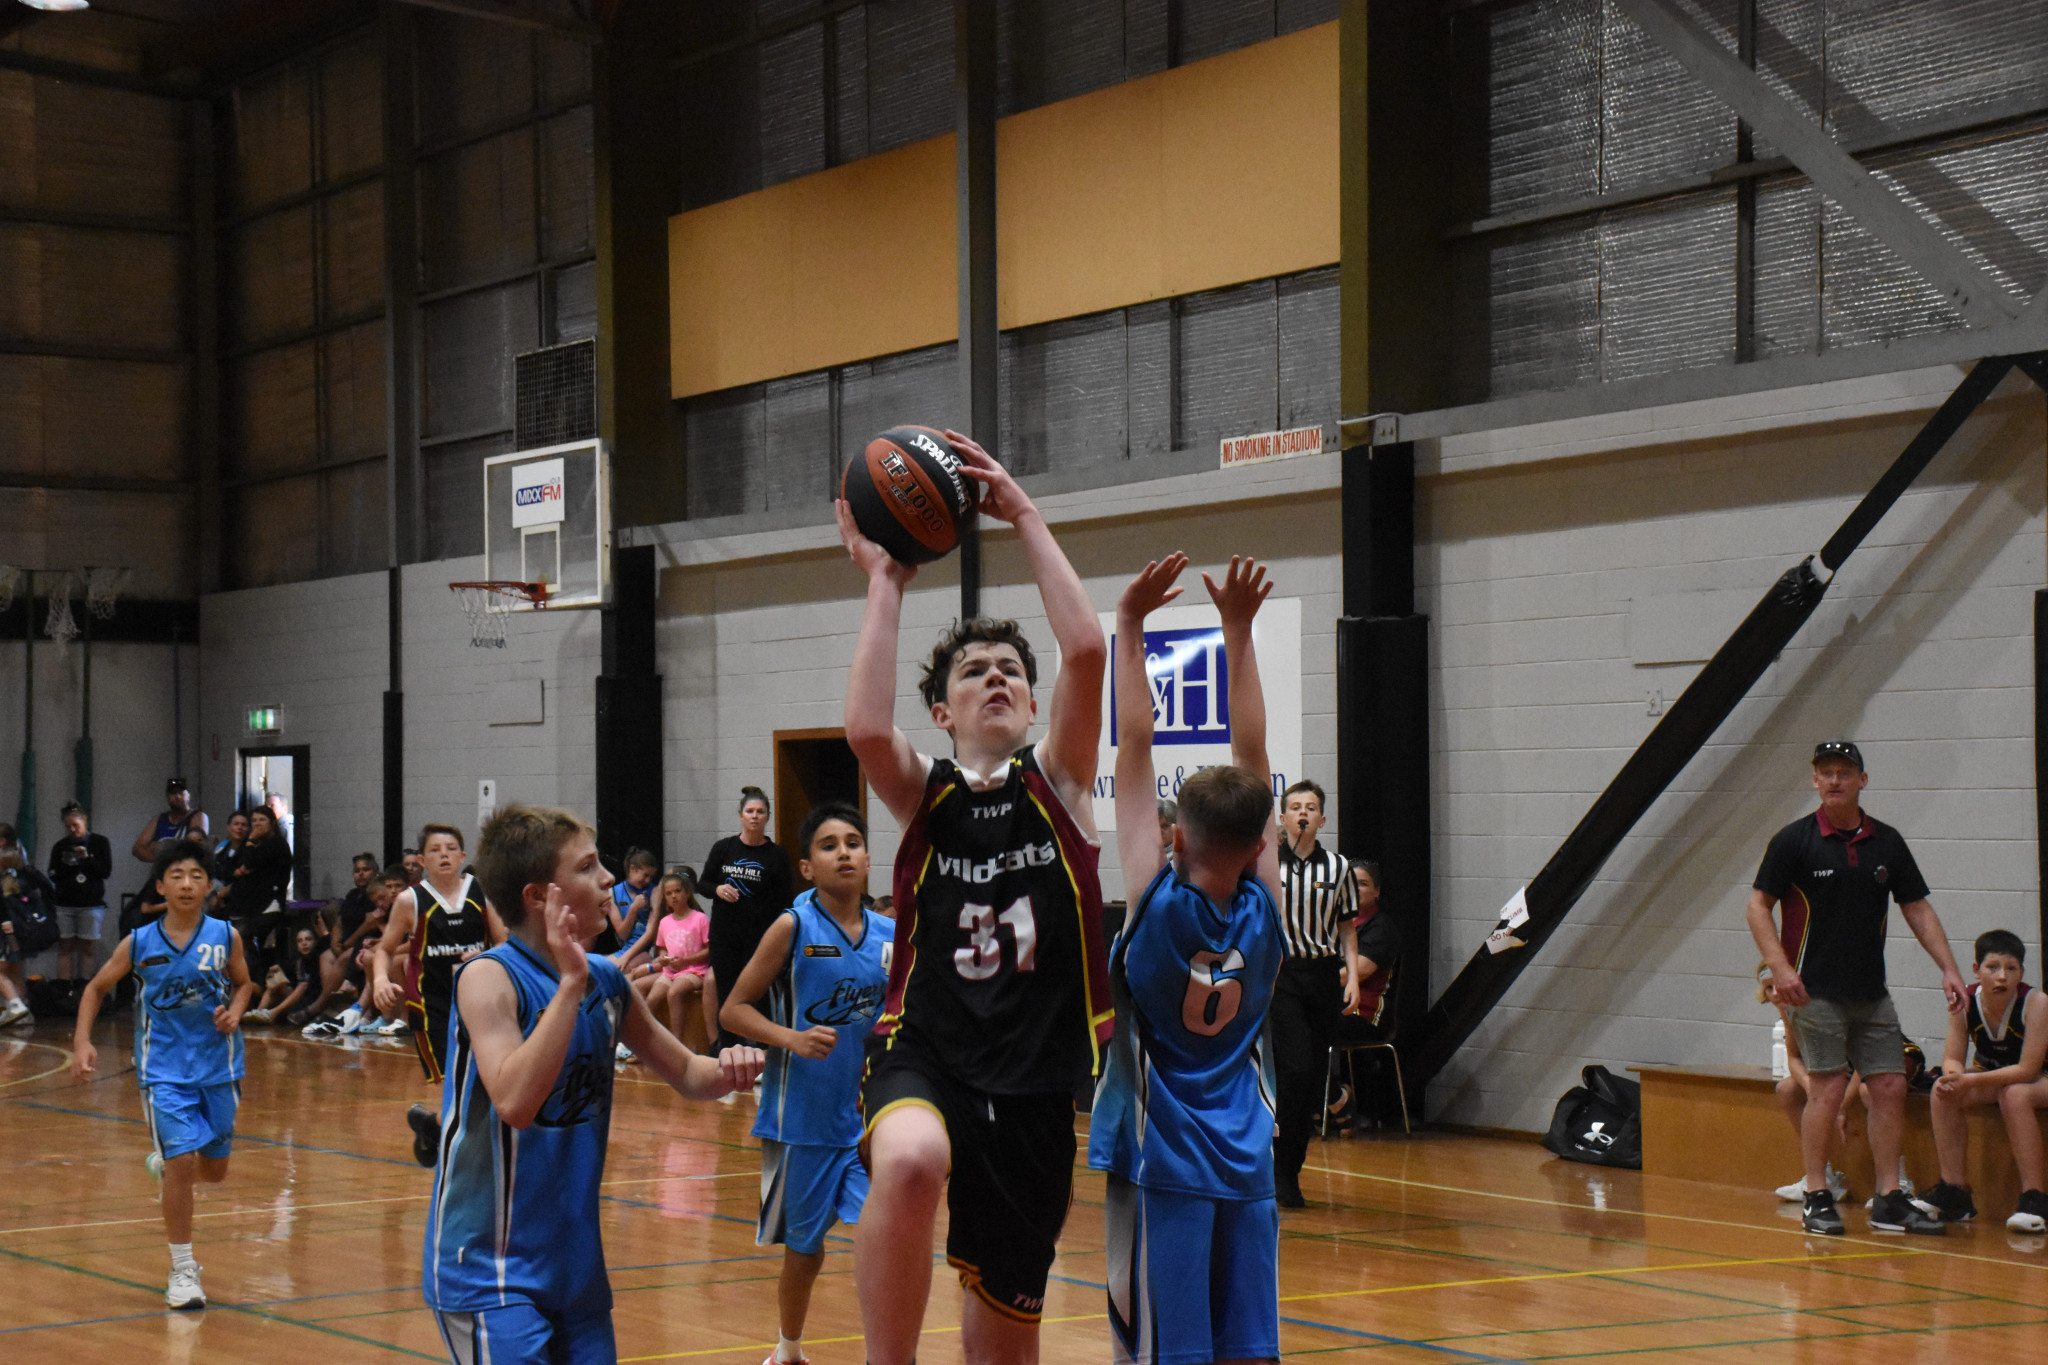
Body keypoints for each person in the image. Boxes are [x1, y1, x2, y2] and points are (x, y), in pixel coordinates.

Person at [838, 428, 1111, 1360]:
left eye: (1010, 671)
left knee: (1005, 1348)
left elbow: (1084, 648)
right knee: (910, 1159)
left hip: (1035, 1082)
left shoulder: (1062, 787)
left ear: (1031, 706)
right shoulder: (928, 794)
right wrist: (887, 580)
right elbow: (867, 730)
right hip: (928, 1050)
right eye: (972, 670)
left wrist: (1023, 512)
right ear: (944, 714)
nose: (996, 675)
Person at [421, 802, 764, 1363]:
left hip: (574, 1265)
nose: (607, 877)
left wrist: (744, 1065)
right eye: (586, 868)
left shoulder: (606, 981)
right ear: (539, 897)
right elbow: (514, 1101)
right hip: (488, 1268)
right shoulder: (488, 978)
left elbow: (688, 1073)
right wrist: (570, 982)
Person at [1092, 553, 1286, 1365]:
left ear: (1176, 838)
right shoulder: (1266, 905)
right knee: (1248, 1345)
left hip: (1163, 1155)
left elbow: (1133, 746)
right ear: (1258, 843)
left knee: (1168, 1351)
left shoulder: (1155, 904)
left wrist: (1129, 626)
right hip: (1247, 1153)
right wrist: (1238, 631)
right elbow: (1253, 746)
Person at [1748, 738, 1967, 1236]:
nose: (1834, 780)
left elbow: (1916, 907)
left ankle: (1889, 1196)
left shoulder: (1885, 842)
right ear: (1814, 781)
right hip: (1814, 991)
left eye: (1844, 772)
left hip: (1871, 991)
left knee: (1889, 1085)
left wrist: (1949, 968)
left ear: (1862, 781)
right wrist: (1780, 968)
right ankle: (1817, 1192)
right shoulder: (1793, 841)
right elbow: (1757, 906)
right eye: (1824, 772)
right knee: (1825, 1089)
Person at [721, 801, 890, 1365]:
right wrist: (789, 1038)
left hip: (869, 1123)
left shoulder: (893, 933)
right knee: (806, 1251)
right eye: (828, 845)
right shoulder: (792, 926)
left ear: (868, 858)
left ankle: (887, 1352)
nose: (843, 851)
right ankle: (788, 1349)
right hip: (801, 1122)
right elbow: (733, 1010)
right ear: (808, 867)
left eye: (852, 842)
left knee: (885, 1238)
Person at [70, 841, 252, 1310]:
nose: (187, 883)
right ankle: (183, 1268)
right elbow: (94, 988)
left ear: (209, 885)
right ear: (160, 886)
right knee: (185, 1163)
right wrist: (82, 1042)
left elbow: (245, 981)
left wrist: (235, 1010)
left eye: (196, 875)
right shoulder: (139, 942)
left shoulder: (225, 935)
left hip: (220, 1066)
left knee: (214, 1171)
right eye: (176, 876)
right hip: (163, 1070)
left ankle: (167, 1165)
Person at [372, 824, 504, 1164]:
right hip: (434, 1007)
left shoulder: (480, 891)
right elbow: (384, 950)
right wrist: (380, 981)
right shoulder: (409, 900)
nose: (443, 854)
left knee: (486, 1084)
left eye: (450, 848)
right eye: (435, 849)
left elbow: (505, 943)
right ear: (421, 860)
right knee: (458, 1087)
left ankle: (431, 1125)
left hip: (480, 1003)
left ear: (462, 856)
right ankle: (457, 1152)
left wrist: (486, 957)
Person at [1267, 778, 1359, 1206]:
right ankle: (1277, 1172)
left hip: (1323, 975)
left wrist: (1353, 977)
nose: (1303, 813)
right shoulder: (1266, 864)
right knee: (1294, 1070)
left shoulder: (1339, 868)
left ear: (1322, 819)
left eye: (1311, 807)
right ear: (1282, 818)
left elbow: (1346, 929)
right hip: (1282, 975)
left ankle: (1290, 1170)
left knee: (1313, 1080)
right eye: (1295, 806)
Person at [1923, 929, 2048, 1231]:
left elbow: (2028, 1070)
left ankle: (2036, 1199)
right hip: (2000, 1076)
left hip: (2036, 1077)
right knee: (1942, 1090)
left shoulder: (2037, 1002)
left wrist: (1971, 1081)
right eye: (1993, 968)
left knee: (2015, 1094)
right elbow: (1952, 1057)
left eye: (2011, 969)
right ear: (1977, 970)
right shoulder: (1964, 1001)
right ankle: (1955, 1191)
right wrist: (1955, 1077)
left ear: (2021, 973)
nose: (2002, 976)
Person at [704, 787, 797, 1049]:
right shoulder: (724, 848)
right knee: (726, 993)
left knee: (758, 995)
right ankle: (728, 1049)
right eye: (750, 811)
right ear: (741, 815)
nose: (755, 816)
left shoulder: (776, 855)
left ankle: (765, 1050)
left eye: (760, 812)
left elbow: (787, 900)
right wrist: (718, 889)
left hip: (760, 938)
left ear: (767, 817)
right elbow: (703, 884)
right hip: (724, 936)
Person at [1325, 860, 1401, 1133]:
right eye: (1350, 884)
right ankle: (1323, 1104)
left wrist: (1310, 980)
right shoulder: (1334, 923)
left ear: (1377, 891)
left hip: (1365, 1013)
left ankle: (1334, 1100)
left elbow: (1359, 972)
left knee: (1306, 1025)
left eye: (1363, 884)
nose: (1355, 890)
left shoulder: (1381, 927)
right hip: (1331, 1005)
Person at [48, 800, 114, 1005]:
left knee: (87, 948)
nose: (72, 830)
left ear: (84, 821)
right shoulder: (60, 846)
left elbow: (105, 872)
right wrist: (67, 865)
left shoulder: (100, 842)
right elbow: (53, 874)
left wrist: (86, 859)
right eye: (68, 827)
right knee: (65, 947)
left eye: (75, 825)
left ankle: (86, 986)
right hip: (65, 904)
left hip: (91, 904)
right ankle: (63, 989)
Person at [219, 807, 291, 977]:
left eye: (262, 820)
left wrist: (250, 840)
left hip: (269, 905)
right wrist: (238, 871)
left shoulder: (276, 844)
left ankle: (254, 979)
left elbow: (249, 863)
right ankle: (258, 979)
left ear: (271, 823)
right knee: (241, 939)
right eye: (254, 820)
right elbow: (230, 869)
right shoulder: (251, 845)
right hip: (250, 905)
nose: (257, 824)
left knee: (243, 935)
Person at [646, 871, 715, 1044]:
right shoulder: (665, 922)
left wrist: (687, 961)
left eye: (677, 891)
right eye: (669, 894)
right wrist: (663, 958)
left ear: (687, 893)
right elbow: (662, 948)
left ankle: (677, 1044)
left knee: (675, 993)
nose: (674, 896)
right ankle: (649, 1043)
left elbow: (709, 949)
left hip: (695, 971)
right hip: (670, 972)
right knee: (652, 999)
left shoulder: (700, 919)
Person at [0, 848, 56, 1027]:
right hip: (22, 934)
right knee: (15, 972)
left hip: (7, 932)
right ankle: (24, 1012)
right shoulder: (24, 879)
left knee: (1, 972)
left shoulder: (5, 881)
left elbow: (4, 910)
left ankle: (15, 1006)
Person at [133, 777, 210, 868]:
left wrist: (158, 848)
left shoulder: (198, 817)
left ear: (188, 795)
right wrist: (164, 860)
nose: (177, 796)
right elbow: (137, 849)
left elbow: (195, 848)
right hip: (163, 872)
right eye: (173, 793)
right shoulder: (159, 819)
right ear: (168, 797)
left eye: (181, 792)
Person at [206, 810, 250, 915]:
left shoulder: (251, 851)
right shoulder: (221, 849)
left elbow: (244, 880)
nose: (239, 828)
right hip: (218, 893)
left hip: (239, 897)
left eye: (243, 825)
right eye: (236, 824)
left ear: (248, 829)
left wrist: (220, 894)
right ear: (229, 827)